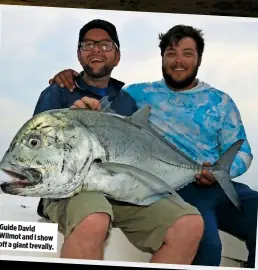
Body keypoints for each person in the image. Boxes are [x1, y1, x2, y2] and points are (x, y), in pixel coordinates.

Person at [49, 24, 257, 268]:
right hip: (177, 185)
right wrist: (70, 76)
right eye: (171, 53)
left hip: (221, 183)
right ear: (162, 58)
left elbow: (243, 152)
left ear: (199, 58)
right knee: (207, 244)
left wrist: (222, 172)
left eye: (187, 53)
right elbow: (102, 107)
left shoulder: (221, 101)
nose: (178, 61)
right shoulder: (136, 94)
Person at [32, 19, 204, 264]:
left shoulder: (127, 102)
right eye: (88, 44)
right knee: (95, 217)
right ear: (79, 54)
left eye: (105, 45)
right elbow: (38, 148)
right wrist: (72, 115)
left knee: (189, 223)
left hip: (122, 193)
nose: (96, 50)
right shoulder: (58, 91)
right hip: (69, 191)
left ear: (117, 56)